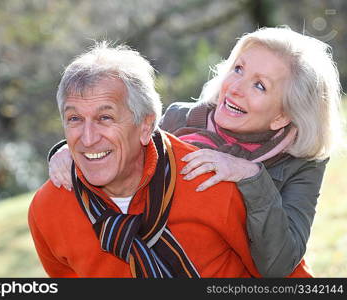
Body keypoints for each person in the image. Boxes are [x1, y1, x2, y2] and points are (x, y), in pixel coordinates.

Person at [47, 27, 344, 277]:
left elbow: (279, 265)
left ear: (282, 117)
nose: (235, 88)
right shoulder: (178, 119)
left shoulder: (300, 162)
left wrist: (251, 176)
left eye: (260, 86)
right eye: (238, 69)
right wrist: (69, 151)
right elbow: (124, 146)